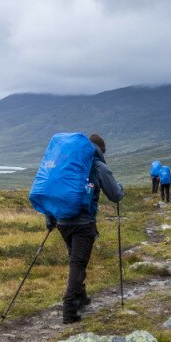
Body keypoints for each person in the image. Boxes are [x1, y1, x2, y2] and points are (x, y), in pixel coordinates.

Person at [46, 133, 124, 324]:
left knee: (75, 259)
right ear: (101, 150)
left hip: (63, 221)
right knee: (78, 263)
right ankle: (69, 309)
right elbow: (115, 195)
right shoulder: (97, 165)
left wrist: (50, 218)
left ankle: (82, 297)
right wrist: (121, 188)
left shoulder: (66, 163)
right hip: (83, 223)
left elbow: (52, 189)